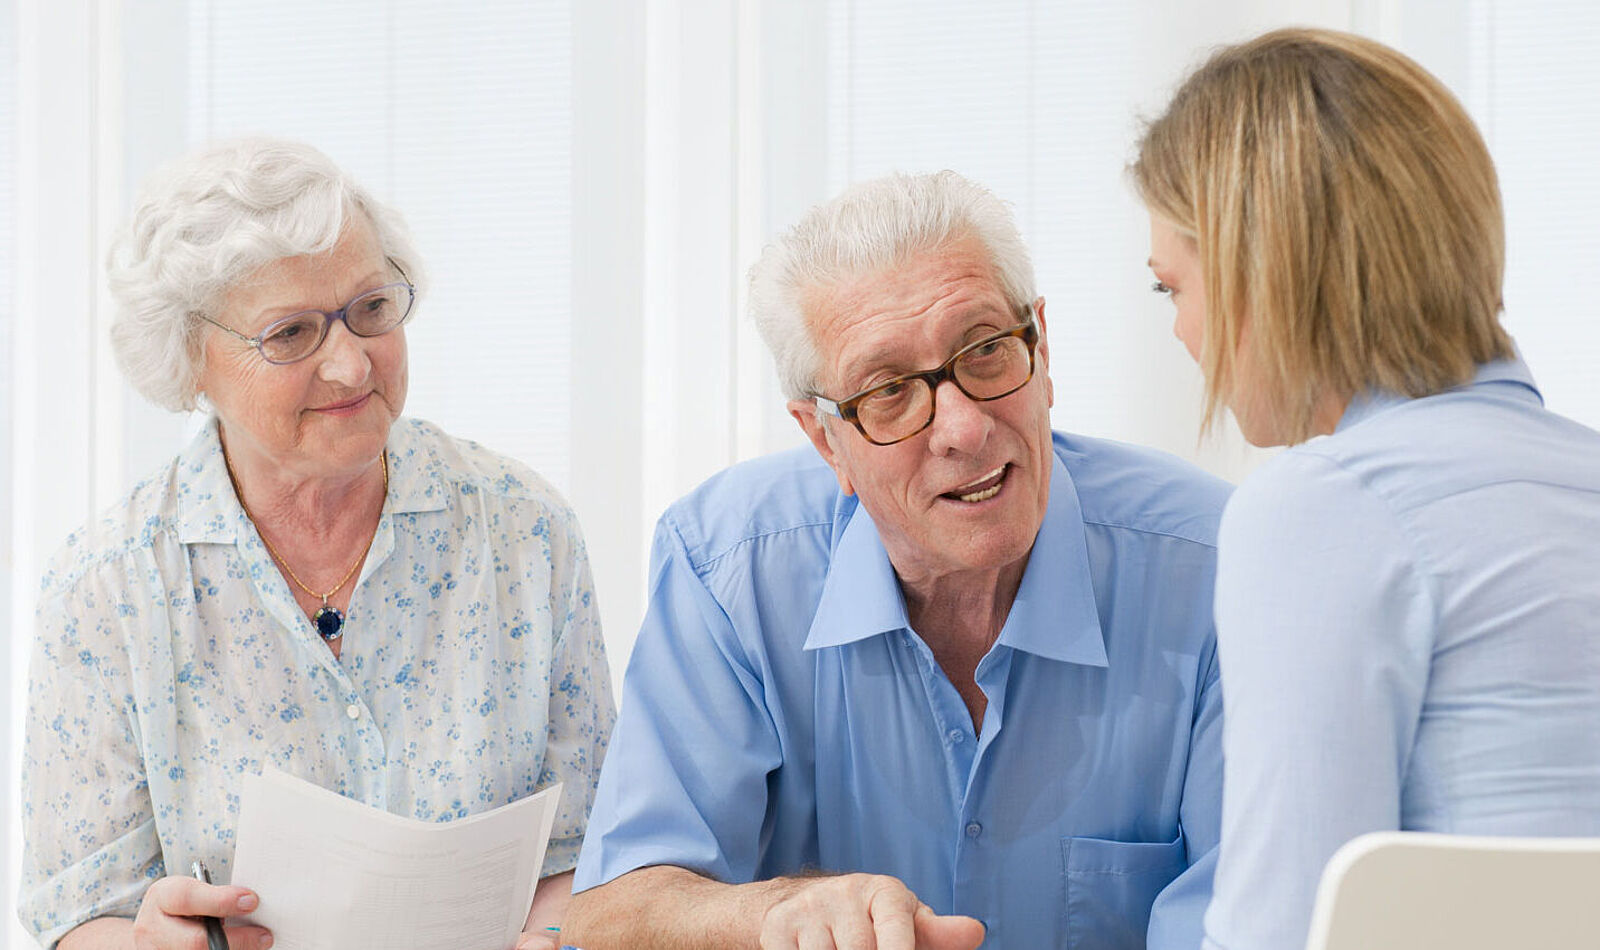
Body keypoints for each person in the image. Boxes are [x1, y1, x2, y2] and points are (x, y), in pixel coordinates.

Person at [564, 170, 1231, 949]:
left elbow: (1254, 921)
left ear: (1042, 351)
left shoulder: (1218, 564)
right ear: (826, 442)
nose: (963, 429)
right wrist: (771, 913)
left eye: (985, 351)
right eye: (889, 392)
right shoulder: (727, 568)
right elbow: (615, 910)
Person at [19, 138, 615, 950]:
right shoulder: (107, 586)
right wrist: (140, 943)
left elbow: (587, 847)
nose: (349, 364)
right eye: (291, 333)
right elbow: (77, 909)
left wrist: (551, 937)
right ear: (191, 362)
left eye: (371, 309)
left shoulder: (524, 533)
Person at [1132, 27, 1600, 950]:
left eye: (1170, 288)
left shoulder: (1325, 505)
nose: (1183, 333)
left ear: (1258, 268)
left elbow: (1285, 925)